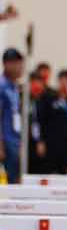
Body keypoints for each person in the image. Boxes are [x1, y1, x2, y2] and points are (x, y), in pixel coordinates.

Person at [1, 48, 23, 182]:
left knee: (14, 180)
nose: (21, 68)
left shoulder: (15, 87)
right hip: (6, 142)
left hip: (14, 140)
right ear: (8, 64)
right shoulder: (2, 86)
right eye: (18, 64)